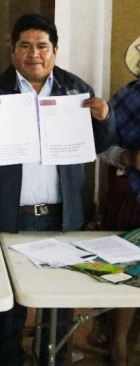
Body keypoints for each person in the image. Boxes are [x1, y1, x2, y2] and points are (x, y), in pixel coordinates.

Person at [0, 13, 115, 365]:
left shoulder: (75, 89)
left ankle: (50, 357)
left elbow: (99, 145)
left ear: (55, 51)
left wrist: (104, 116)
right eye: (24, 45)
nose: (33, 54)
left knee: (57, 302)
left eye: (42, 46)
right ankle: (6, 358)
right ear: (12, 50)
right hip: (7, 217)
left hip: (62, 217)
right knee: (7, 305)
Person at [95, 74, 140, 366]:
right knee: (126, 275)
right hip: (132, 200)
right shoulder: (130, 96)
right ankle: (118, 344)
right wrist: (128, 158)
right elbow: (100, 147)